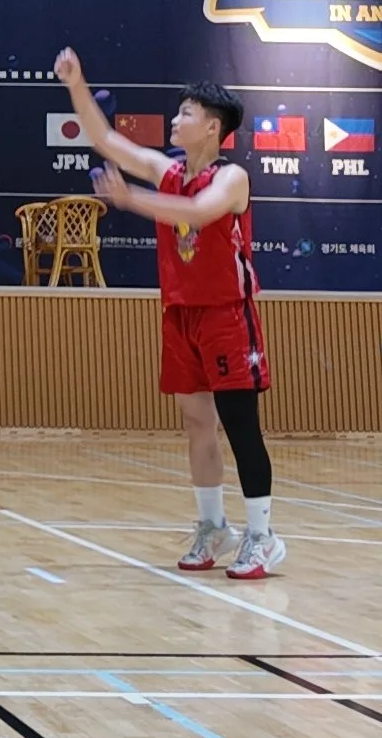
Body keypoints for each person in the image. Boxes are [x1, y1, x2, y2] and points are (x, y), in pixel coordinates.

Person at [54, 48, 283, 578]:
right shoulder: (169, 171)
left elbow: (199, 215)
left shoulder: (232, 180)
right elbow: (106, 139)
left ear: (212, 127)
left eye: (185, 113)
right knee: (195, 422)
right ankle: (213, 527)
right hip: (181, 314)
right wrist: (76, 84)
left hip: (227, 313)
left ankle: (263, 536)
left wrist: (131, 200)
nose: (175, 121)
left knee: (240, 426)